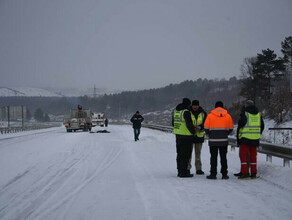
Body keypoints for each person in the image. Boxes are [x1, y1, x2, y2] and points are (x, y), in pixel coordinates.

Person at [204, 101, 234, 180]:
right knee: (223, 157)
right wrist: (225, 134)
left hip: (213, 141)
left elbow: (206, 128)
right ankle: (224, 174)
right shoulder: (228, 116)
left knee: (213, 157)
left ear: (215, 107)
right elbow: (231, 128)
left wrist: (211, 134)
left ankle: (213, 174)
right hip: (224, 141)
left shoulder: (210, 116)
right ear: (223, 107)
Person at [237, 100, 264, 179]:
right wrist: (257, 133)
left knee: (243, 156)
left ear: (246, 106)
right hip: (255, 139)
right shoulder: (258, 114)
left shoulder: (245, 114)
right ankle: (253, 172)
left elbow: (241, 123)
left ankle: (245, 172)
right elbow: (262, 126)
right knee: (253, 157)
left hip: (245, 138)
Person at [172, 98, 197, 178]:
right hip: (186, 136)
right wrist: (193, 132)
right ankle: (184, 172)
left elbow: (173, 123)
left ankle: (179, 171)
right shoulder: (186, 112)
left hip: (178, 135)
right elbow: (189, 124)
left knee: (179, 154)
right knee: (185, 155)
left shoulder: (176, 111)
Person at [188, 100, 207, 175]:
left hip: (199, 136)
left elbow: (206, 123)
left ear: (198, 106)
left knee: (198, 154)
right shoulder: (188, 112)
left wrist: (201, 127)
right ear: (192, 106)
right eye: (194, 105)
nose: (195, 107)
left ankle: (198, 169)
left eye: (196, 105)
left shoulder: (203, 113)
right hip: (190, 136)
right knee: (189, 153)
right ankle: (188, 168)